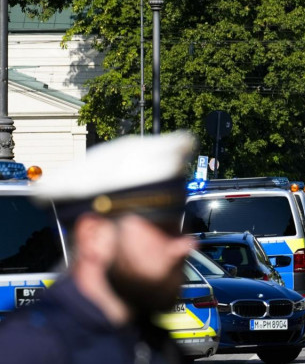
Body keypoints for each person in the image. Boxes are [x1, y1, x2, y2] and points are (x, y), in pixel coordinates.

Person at [0, 132, 196, 363]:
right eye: (163, 229)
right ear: (94, 236)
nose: (186, 245)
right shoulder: (27, 349)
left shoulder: (156, 344)